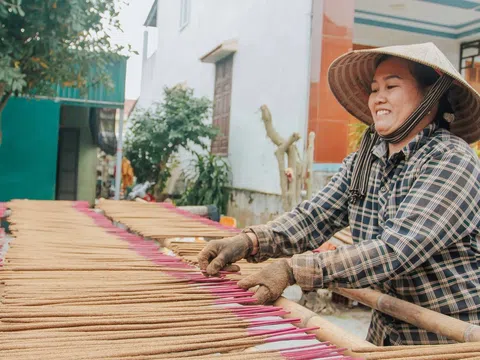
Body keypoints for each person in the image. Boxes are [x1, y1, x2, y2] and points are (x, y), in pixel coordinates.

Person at [198, 42, 480, 346]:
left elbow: (394, 250)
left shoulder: (451, 160)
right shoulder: (365, 161)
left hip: (447, 338)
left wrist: (292, 269)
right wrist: (250, 241)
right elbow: (313, 218)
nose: (378, 98)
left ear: (432, 95)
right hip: (388, 332)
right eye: (374, 89)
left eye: (392, 86)